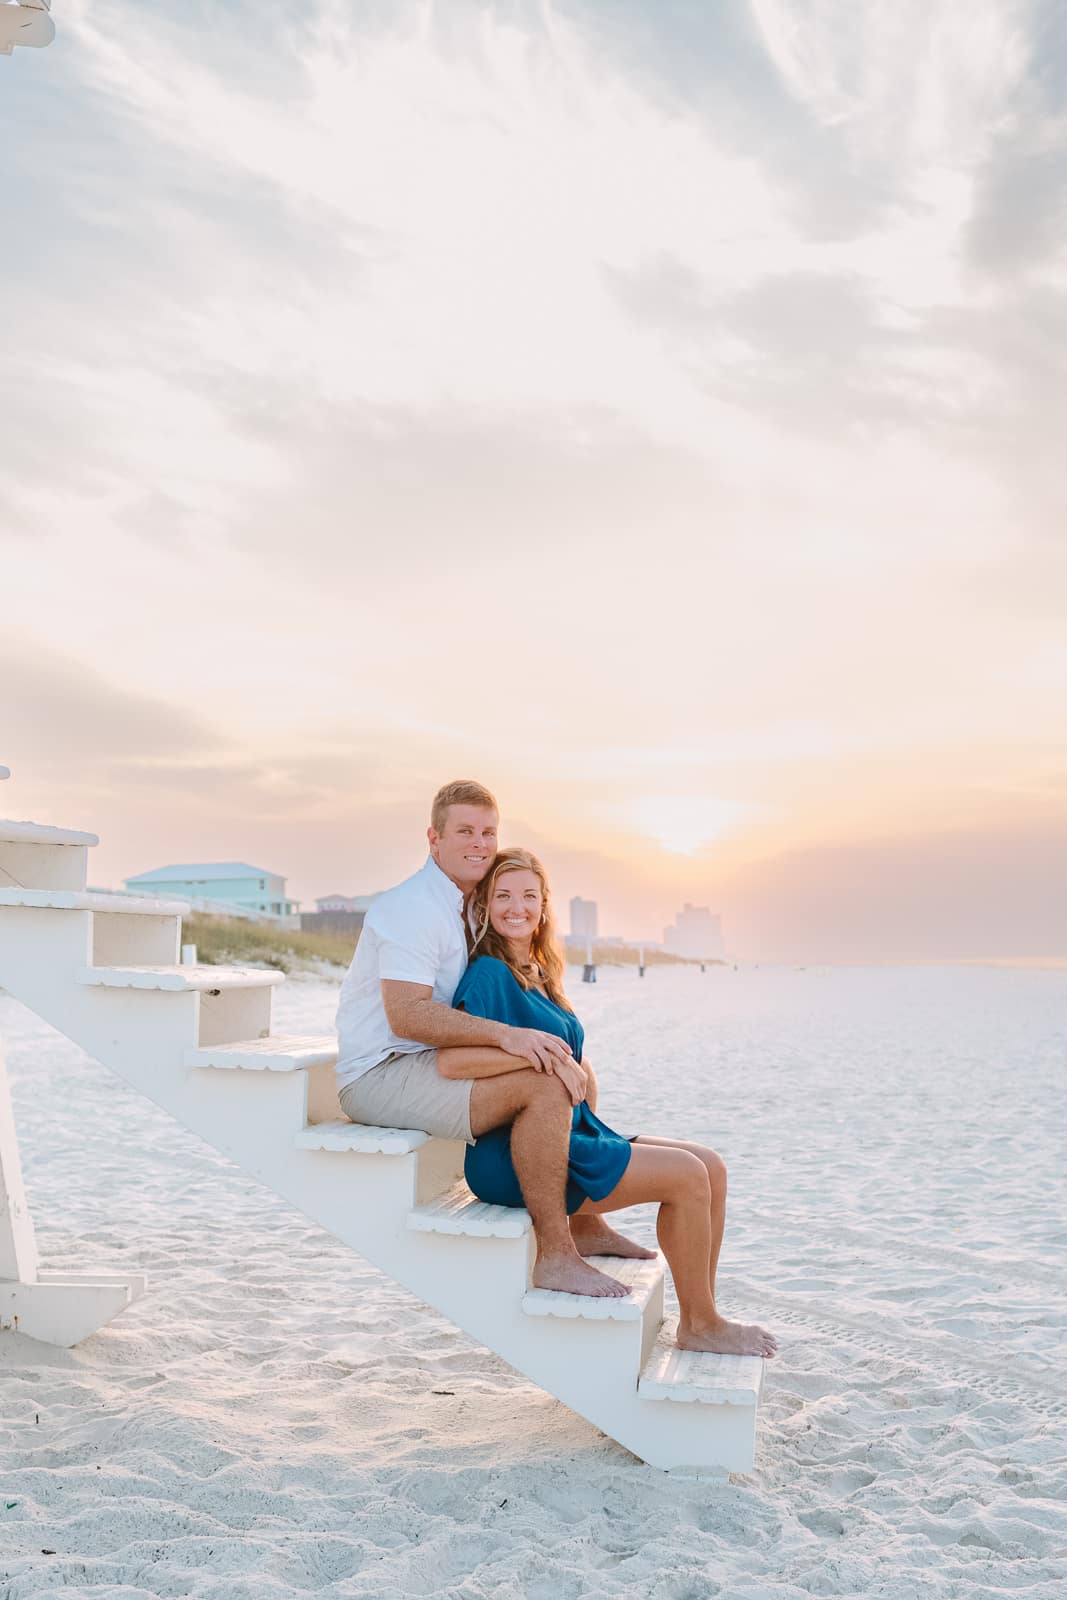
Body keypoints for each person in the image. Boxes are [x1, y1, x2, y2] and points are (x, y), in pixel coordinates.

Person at [439, 848, 777, 1359]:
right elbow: (452, 1064)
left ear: (544, 905)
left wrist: (563, 1062)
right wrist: (542, 1056)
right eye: (503, 895)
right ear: (485, 905)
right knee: (686, 1176)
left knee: (711, 1165)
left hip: (566, 1136)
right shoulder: (488, 973)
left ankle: (703, 1310)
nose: (517, 907)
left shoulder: (537, 971)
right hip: (514, 1156)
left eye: (529, 896)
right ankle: (701, 1325)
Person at [335, 779, 637, 1300]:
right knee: (545, 1084)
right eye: (466, 831)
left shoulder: (469, 903)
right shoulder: (411, 908)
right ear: (434, 839)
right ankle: (556, 1255)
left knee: (574, 1068)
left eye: (489, 833)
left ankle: (585, 1221)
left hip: (425, 1059)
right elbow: (407, 1016)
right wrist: (510, 1038)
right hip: (379, 1072)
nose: (479, 843)